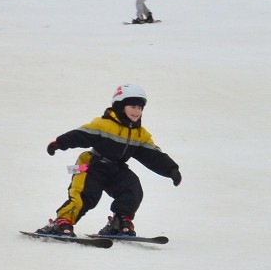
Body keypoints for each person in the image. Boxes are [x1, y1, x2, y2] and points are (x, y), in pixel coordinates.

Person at [34, 84, 182, 238]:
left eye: (140, 108)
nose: (137, 111)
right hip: (90, 166)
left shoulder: (140, 134)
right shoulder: (103, 125)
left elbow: (153, 155)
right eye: (133, 106)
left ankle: (120, 221)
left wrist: (171, 169)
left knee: (132, 188)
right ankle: (62, 222)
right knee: (85, 195)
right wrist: (59, 143)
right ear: (120, 106)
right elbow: (81, 135)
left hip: (116, 169)